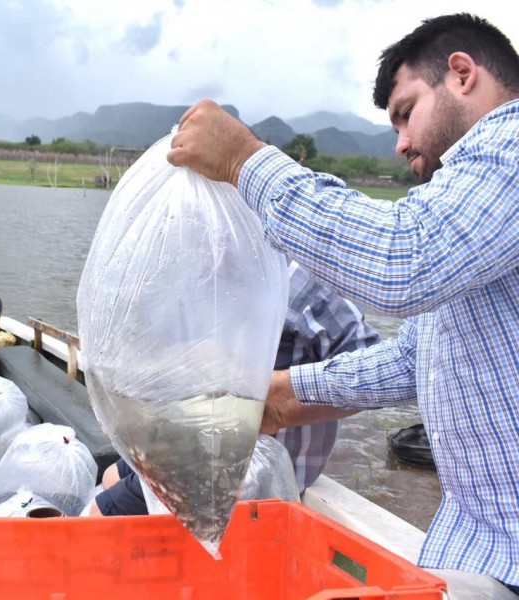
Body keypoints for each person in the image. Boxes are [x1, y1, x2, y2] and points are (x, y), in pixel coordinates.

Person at [166, 12, 519, 594]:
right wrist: (280, 397)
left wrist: (244, 161)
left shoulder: (508, 147)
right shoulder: (471, 207)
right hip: (478, 548)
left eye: (406, 111)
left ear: (461, 75)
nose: (402, 141)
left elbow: (401, 257)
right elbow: (415, 360)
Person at [89, 261, 380, 516]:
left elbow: (372, 370)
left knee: (100, 514)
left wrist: (276, 402)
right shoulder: (210, 268)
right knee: (113, 475)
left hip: (257, 468)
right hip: (199, 443)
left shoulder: (303, 278)